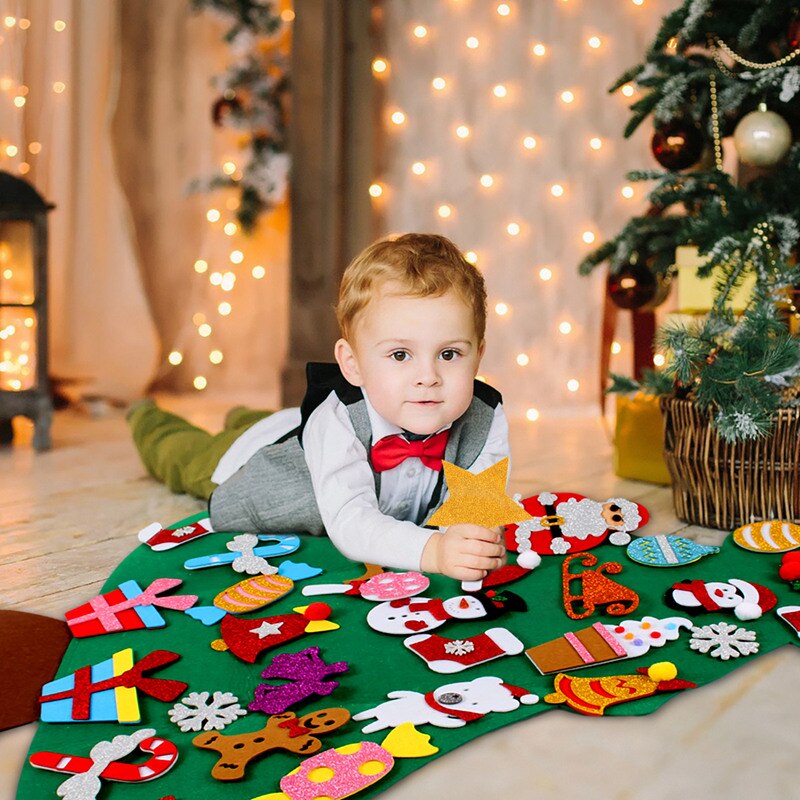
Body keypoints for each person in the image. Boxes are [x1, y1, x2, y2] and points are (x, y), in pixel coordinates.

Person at [129, 233, 509, 580]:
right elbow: (352, 522)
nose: (428, 376)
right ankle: (146, 416)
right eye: (399, 354)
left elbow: (476, 511)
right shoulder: (340, 419)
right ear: (353, 365)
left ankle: (244, 416)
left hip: (306, 427)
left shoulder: (485, 417)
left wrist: (471, 537)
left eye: (449, 353)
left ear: (477, 356)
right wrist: (435, 551)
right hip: (259, 462)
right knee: (185, 456)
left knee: (280, 422)